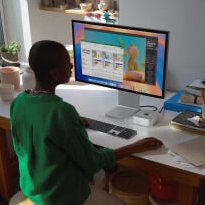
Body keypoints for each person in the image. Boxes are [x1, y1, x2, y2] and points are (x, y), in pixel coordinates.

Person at [10, 40, 163, 205]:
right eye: (66, 63)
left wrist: (72, 123)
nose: (71, 65)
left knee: (100, 177)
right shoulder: (61, 112)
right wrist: (135, 147)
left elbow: (40, 129)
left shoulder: (19, 102)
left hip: (34, 188)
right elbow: (92, 163)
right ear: (54, 74)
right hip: (61, 197)